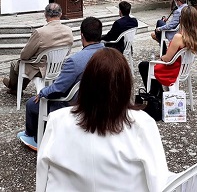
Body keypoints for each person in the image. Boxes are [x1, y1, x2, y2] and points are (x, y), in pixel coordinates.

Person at [36, 48, 170, 192]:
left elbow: (42, 170)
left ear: (86, 83)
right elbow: (158, 179)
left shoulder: (57, 120)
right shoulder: (142, 123)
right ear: (125, 85)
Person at [18, 17, 104, 151]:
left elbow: (58, 88)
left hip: (75, 103)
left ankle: (35, 138)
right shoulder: (111, 55)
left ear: (82, 35)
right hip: (101, 100)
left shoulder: (76, 61)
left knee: (31, 104)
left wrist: (42, 93)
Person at [3, 3, 74, 94]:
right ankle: (16, 88)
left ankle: (13, 87)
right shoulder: (68, 30)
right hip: (57, 67)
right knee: (29, 65)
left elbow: (24, 55)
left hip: (41, 70)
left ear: (45, 15)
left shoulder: (40, 33)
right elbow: (67, 52)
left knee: (16, 64)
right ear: (60, 14)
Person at [140, 6, 197, 97]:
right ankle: (157, 93)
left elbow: (167, 59)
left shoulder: (179, 37)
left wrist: (161, 58)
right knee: (149, 65)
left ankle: (155, 95)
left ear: (182, 19)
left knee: (144, 65)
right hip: (184, 69)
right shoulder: (196, 36)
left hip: (172, 69)